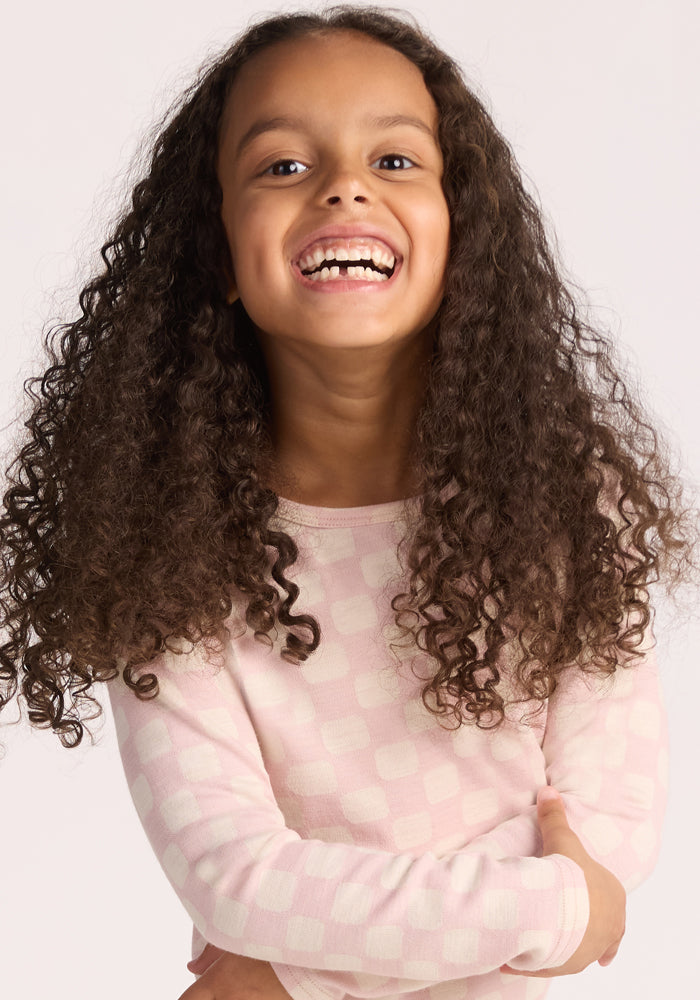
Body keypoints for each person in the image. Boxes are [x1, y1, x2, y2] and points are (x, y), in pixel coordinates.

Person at [0, 6, 696, 1000]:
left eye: (398, 161)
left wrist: (286, 969)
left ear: (465, 231)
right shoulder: (158, 538)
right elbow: (235, 879)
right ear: (218, 250)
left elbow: (607, 836)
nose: (343, 187)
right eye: (281, 166)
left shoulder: (570, 507)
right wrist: (545, 908)